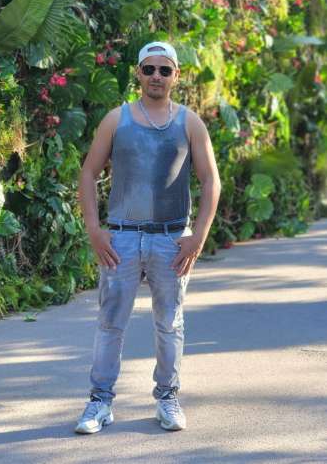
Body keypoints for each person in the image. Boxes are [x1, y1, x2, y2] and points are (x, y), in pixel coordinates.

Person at [75, 41, 221, 434]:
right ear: (138, 73)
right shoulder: (116, 120)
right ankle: (99, 403)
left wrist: (198, 237)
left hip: (170, 240)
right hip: (121, 239)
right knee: (110, 323)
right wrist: (94, 229)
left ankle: (167, 398)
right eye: (150, 69)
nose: (157, 76)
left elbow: (211, 181)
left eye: (165, 70)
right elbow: (88, 173)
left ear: (176, 76)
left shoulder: (189, 122)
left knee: (169, 324)